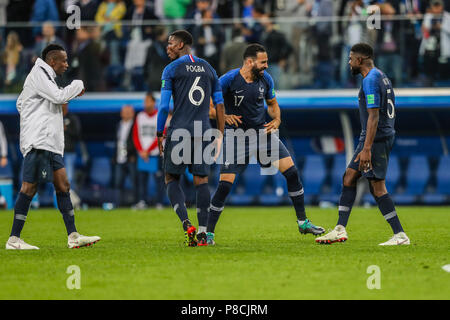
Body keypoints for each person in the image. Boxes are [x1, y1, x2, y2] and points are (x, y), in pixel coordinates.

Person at [207, 44, 325, 246]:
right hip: (236, 137)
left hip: (263, 134)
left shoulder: (266, 79)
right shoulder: (228, 80)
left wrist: (277, 120)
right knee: (225, 185)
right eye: (263, 62)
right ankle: (208, 233)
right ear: (249, 61)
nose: (266, 66)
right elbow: (209, 107)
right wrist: (224, 117)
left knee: (292, 173)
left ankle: (303, 222)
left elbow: (272, 104)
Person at [5, 44, 101, 250]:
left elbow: (21, 103)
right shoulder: (39, 73)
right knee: (29, 188)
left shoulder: (43, 78)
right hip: (40, 141)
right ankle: (14, 239)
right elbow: (59, 97)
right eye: (63, 61)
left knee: (63, 185)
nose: (66, 65)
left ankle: (73, 235)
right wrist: (78, 85)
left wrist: (33, 115)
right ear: (52, 61)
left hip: (49, 143)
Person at [316, 43, 410, 246]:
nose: (348, 63)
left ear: (359, 60)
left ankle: (400, 235)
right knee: (349, 177)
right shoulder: (381, 75)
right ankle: (340, 229)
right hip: (374, 138)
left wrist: (367, 148)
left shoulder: (370, 81)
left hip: (375, 140)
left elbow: (374, 116)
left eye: (350, 59)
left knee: (377, 187)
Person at [156, 30, 225, 247]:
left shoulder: (171, 69)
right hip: (203, 131)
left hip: (179, 131)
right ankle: (204, 233)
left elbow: (163, 106)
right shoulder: (209, 68)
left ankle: (187, 224)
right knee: (201, 181)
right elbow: (220, 104)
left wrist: (160, 133)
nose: (167, 47)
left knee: (171, 179)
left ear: (181, 44)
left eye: (170, 43)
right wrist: (220, 133)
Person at [132, 92, 162, 209]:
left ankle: (159, 202)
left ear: (154, 102)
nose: (145, 103)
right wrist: (141, 150)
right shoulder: (140, 116)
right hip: (142, 154)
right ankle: (142, 201)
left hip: (155, 153)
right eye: (145, 101)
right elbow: (135, 135)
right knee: (141, 178)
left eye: (148, 101)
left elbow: (161, 134)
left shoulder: (159, 115)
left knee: (158, 179)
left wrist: (147, 150)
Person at [114, 104, 137, 207]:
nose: (126, 114)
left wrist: (133, 154)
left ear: (132, 113)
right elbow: (117, 141)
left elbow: (136, 141)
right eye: (125, 112)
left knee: (134, 182)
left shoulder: (135, 125)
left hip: (130, 157)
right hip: (120, 157)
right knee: (118, 182)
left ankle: (135, 202)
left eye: (129, 112)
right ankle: (119, 203)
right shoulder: (119, 124)